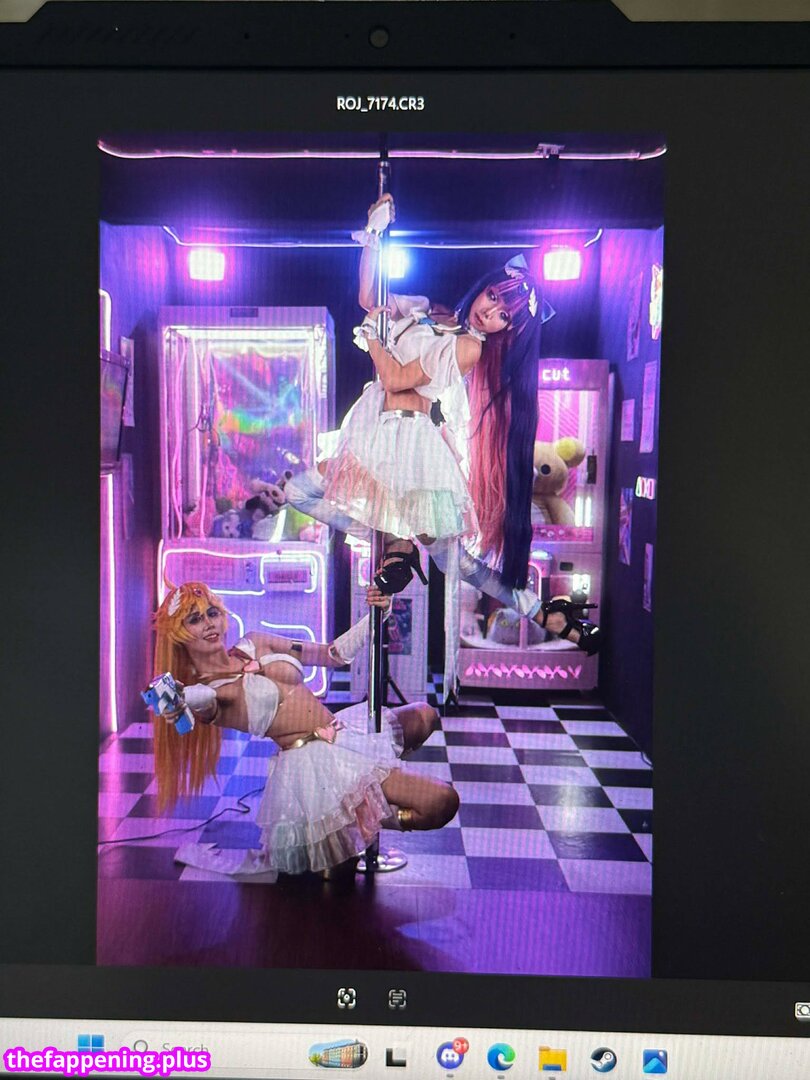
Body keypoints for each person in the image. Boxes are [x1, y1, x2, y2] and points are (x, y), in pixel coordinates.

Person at [286, 193, 545, 597]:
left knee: (451, 559)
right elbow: (370, 299)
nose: (489, 312)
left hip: (413, 447)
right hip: (375, 433)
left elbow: (396, 380)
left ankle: (531, 605)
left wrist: (373, 337)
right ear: (484, 287)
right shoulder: (429, 312)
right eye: (493, 296)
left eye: (503, 315)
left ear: (507, 329)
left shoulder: (469, 348)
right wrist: (373, 237)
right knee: (298, 491)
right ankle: (393, 542)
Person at [150, 581, 458, 881]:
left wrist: (377, 615)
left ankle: (365, 803)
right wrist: (180, 699)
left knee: (425, 715)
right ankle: (368, 815)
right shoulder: (210, 691)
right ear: (179, 635)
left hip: (343, 732)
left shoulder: (255, 642)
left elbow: (332, 654)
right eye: (194, 619)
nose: (208, 624)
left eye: (212, 613)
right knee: (441, 803)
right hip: (315, 768)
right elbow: (203, 701)